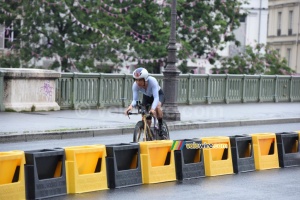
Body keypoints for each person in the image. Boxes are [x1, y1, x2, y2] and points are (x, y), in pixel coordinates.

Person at [125, 67, 165, 137]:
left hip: (158, 95)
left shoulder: (152, 81)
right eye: (136, 80)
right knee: (146, 117)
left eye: (140, 80)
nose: (138, 82)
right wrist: (130, 106)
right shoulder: (135, 85)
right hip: (146, 97)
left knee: (157, 107)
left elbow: (156, 98)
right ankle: (149, 134)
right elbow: (135, 100)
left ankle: (161, 126)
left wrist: (152, 109)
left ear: (145, 79)